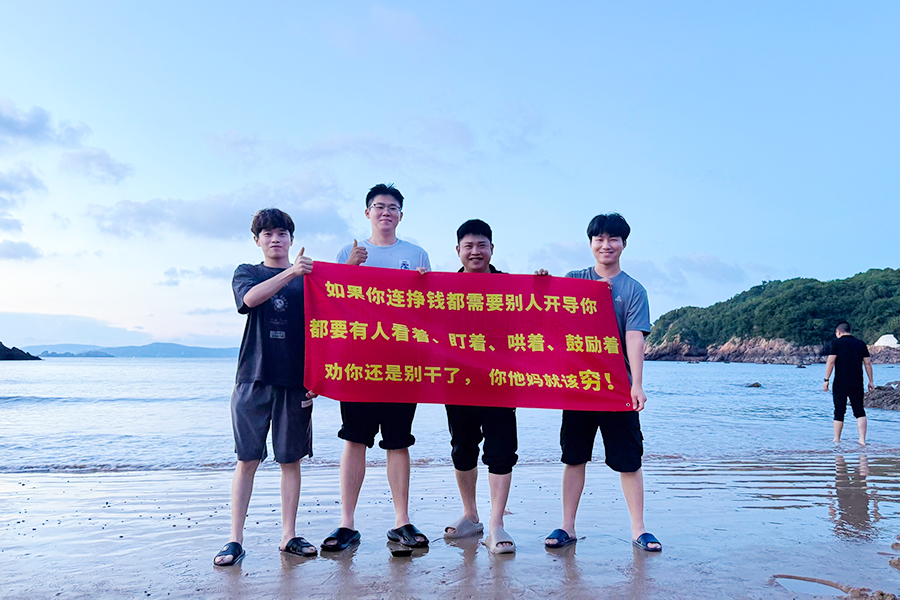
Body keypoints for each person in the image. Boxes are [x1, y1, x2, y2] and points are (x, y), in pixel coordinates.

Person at [321, 183, 432, 552]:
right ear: (367, 212)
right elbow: (332, 303)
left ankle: (401, 520)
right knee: (355, 439)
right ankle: (346, 523)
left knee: (398, 440)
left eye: (393, 207)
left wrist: (424, 284)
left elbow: (429, 309)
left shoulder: (416, 254)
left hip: (402, 362)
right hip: (358, 362)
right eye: (379, 206)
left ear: (401, 214)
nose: (386, 212)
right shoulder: (349, 251)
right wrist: (348, 268)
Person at [543, 213, 661, 552]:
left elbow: (634, 337)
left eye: (613, 239)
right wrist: (541, 284)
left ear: (624, 244)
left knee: (629, 460)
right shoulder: (574, 280)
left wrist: (637, 384)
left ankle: (639, 529)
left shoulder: (633, 290)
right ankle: (567, 526)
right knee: (574, 457)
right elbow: (547, 315)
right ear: (591, 243)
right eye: (599, 239)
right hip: (578, 387)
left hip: (617, 389)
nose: (606, 245)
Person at [214, 208, 317, 567]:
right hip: (252, 377)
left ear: (291, 238)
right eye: (268, 234)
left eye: (282, 233)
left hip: (295, 381)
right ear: (257, 240)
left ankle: (289, 536)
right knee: (247, 460)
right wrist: (291, 271)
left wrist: (318, 378)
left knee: (291, 460)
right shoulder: (248, 272)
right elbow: (249, 300)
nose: (275, 239)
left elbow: (329, 322)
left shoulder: (309, 280)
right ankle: (234, 539)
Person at [442, 219, 518, 554]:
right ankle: (471, 515)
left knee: (501, 452)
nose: (475, 252)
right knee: (463, 448)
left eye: (481, 245)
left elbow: (539, 319)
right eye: (468, 246)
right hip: (458, 382)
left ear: (492, 249)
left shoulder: (511, 286)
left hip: (500, 383)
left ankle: (497, 523)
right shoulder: (443, 288)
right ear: (458, 251)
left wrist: (542, 285)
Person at [824, 321, 874, 446]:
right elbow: (867, 363)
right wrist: (871, 381)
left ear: (838, 332)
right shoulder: (860, 344)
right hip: (857, 382)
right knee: (859, 410)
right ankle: (862, 440)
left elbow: (830, 362)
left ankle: (837, 439)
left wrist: (826, 379)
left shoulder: (836, 343)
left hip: (840, 382)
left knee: (839, 410)